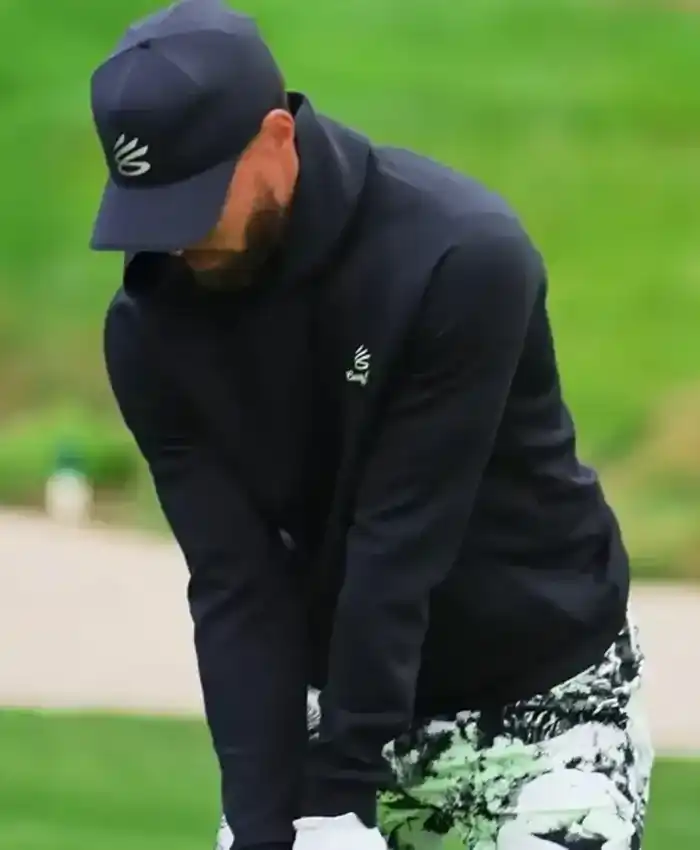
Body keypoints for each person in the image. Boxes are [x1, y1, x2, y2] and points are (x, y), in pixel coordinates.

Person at [89, 1, 654, 848]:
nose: (173, 243)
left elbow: (398, 543)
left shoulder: (458, 259)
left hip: (547, 711)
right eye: (150, 210)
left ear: (276, 138)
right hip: (336, 702)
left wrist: (337, 800)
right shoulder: (149, 332)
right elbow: (236, 584)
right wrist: (264, 823)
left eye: (195, 201)